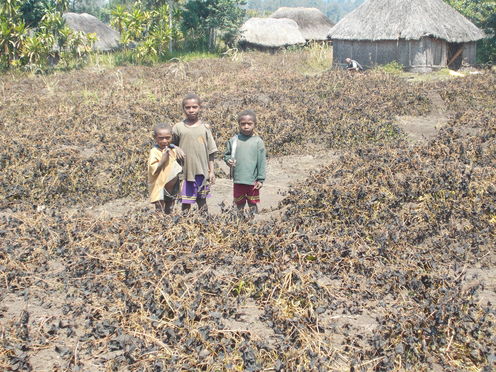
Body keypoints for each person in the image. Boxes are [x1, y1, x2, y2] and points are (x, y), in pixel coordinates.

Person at [173, 94, 218, 212]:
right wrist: (174, 147)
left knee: (202, 201)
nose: (191, 110)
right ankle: (185, 227)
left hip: (202, 172)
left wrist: (211, 171)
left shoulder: (205, 128)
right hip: (185, 173)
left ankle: (205, 226)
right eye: (188, 107)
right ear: (183, 109)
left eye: (194, 107)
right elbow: (168, 145)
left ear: (200, 108)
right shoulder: (178, 127)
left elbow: (211, 152)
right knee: (186, 203)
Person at [224, 110, 266, 215]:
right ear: (239, 124)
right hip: (238, 179)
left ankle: (253, 222)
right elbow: (227, 155)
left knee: (252, 203)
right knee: (239, 203)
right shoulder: (233, 140)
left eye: (249, 124)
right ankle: (240, 223)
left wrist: (261, 179)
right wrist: (228, 160)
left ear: (255, 124)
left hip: (253, 181)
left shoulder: (258, 142)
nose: (246, 126)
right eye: (243, 124)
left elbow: (261, 162)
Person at [148, 123, 183, 214]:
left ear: (172, 137)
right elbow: (154, 170)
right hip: (160, 186)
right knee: (159, 208)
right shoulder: (154, 152)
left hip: (172, 186)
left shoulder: (173, 150)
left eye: (168, 138)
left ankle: (168, 225)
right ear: (155, 138)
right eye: (161, 138)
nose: (164, 141)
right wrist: (163, 160)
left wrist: (174, 147)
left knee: (170, 208)